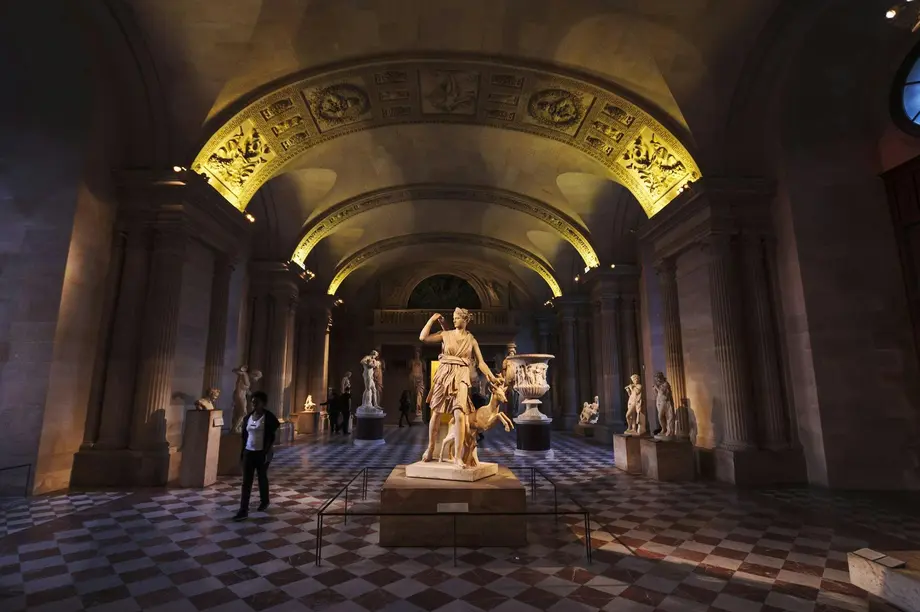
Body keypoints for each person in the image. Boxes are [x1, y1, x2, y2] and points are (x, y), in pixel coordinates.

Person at [419, 307, 498, 465]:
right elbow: (423, 337)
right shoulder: (445, 335)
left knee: (460, 414)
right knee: (436, 412)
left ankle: (458, 456)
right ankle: (430, 448)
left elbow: (481, 363)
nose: (454, 320)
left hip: (461, 374)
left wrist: (492, 377)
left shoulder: (471, 339)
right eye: (454, 318)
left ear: (465, 320)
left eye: (457, 317)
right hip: (444, 373)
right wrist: (432, 320)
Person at [234, 391, 279, 521]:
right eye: (252, 402)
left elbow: (271, 436)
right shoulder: (248, 417)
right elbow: (244, 436)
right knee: (246, 482)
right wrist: (242, 453)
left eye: (256, 402)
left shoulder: (268, 417)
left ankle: (264, 501)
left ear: (263, 403)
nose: (253, 404)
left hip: (262, 452)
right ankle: (243, 510)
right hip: (249, 452)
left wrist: (267, 452)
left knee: (261, 477)